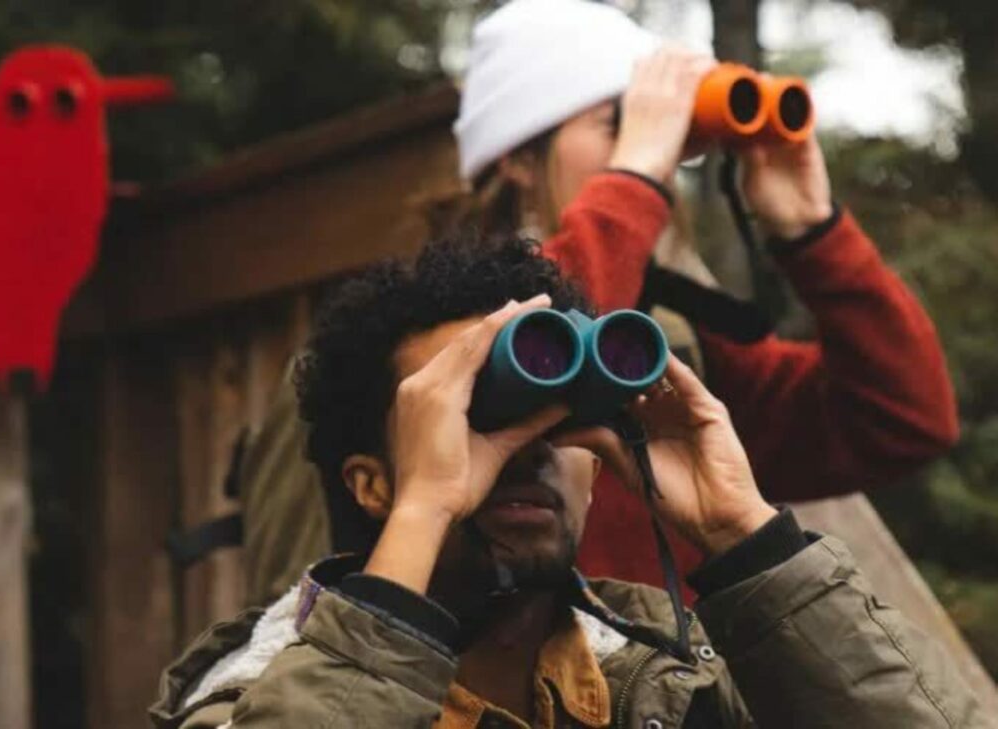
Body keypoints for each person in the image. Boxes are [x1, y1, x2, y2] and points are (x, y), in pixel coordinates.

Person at [151, 237, 987, 729]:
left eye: (564, 420)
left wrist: (747, 533)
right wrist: (429, 507)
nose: (528, 449)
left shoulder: (679, 672)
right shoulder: (259, 688)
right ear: (373, 483)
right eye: (479, 413)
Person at [449, 0, 959, 586]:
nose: (659, 149)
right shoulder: (442, 318)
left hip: (682, 675)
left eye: (668, 126)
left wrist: (813, 231)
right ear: (516, 156)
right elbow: (539, 332)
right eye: (623, 122)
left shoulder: (673, 339)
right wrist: (633, 178)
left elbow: (903, 420)